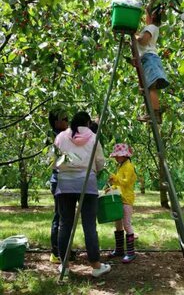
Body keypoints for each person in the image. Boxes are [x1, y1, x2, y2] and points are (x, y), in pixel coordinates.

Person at [54, 111, 111, 277]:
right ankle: (95, 265)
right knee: (89, 225)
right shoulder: (93, 137)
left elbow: (55, 161)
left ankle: (64, 266)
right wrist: (94, 170)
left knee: (65, 224)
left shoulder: (62, 137)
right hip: (87, 183)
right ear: (87, 123)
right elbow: (100, 161)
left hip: (65, 184)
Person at [135, 0, 169, 124]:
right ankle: (153, 113)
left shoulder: (151, 27)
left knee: (151, 87)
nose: (145, 17)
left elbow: (143, 41)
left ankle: (154, 114)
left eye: (146, 14)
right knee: (149, 87)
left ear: (152, 16)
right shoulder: (151, 27)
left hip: (149, 59)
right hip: (148, 59)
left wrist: (135, 35)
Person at [108, 143, 137, 263]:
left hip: (126, 199)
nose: (115, 158)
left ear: (124, 156)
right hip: (119, 199)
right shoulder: (120, 166)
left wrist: (115, 179)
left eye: (117, 156)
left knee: (126, 224)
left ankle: (131, 253)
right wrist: (111, 188)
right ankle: (119, 249)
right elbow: (118, 184)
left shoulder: (129, 166)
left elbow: (125, 182)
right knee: (118, 224)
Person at [48, 107, 69, 264]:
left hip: (62, 180)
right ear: (57, 122)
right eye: (65, 118)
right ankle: (56, 252)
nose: (68, 121)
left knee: (64, 217)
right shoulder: (57, 138)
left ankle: (63, 249)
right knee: (60, 216)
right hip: (60, 180)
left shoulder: (60, 135)